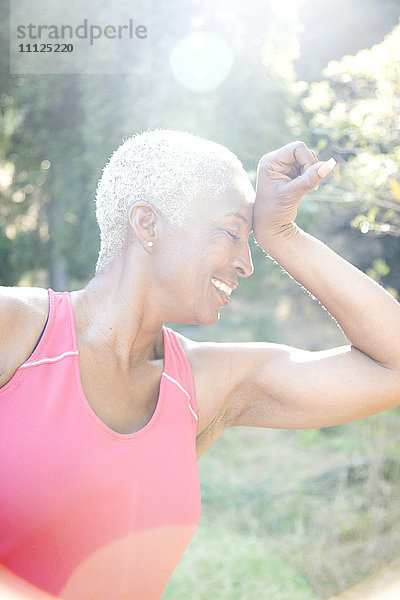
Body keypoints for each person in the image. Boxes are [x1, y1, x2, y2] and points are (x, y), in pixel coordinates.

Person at [1, 129, 399, 600]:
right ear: (147, 224)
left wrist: (283, 235)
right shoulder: (17, 330)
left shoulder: (203, 384)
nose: (246, 263)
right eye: (232, 233)